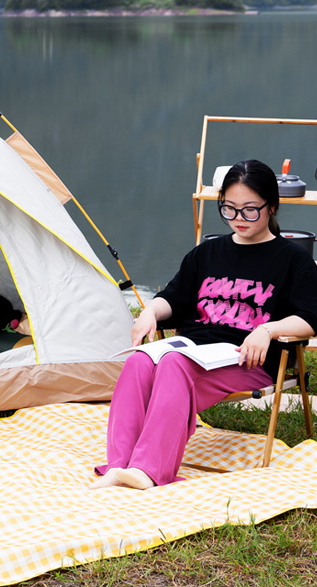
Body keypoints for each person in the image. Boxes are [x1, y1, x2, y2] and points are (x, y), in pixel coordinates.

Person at [90, 159, 317, 490]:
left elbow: (310, 319)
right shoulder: (206, 253)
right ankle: (119, 464)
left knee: (173, 364)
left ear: (272, 207)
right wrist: (151, 311)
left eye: (250, 210)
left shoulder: (292, 260)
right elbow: (174, 298)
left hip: (245, 358)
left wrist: (267, 329)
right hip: (194, 349)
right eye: (229, 209)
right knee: (140, 360)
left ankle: (149, 470)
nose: (239, 219)